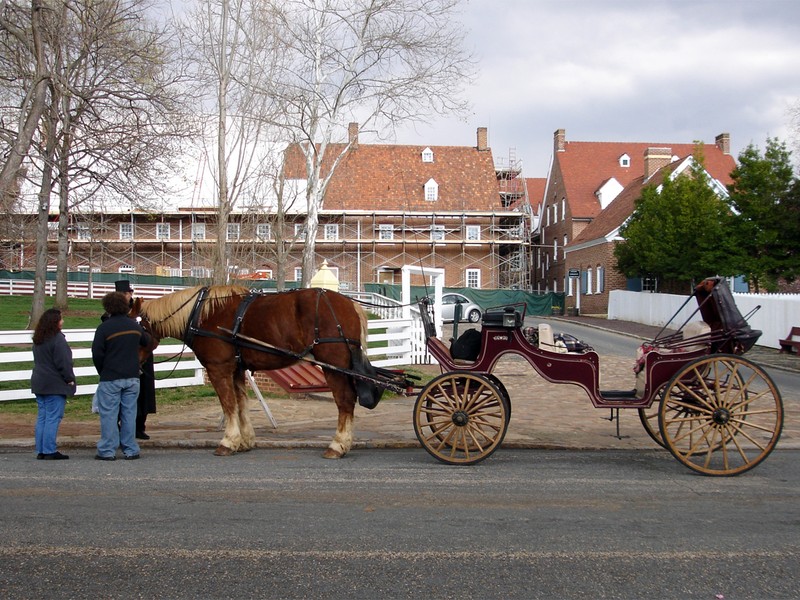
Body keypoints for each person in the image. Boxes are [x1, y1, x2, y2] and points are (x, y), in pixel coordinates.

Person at [92, 291, 151, 461]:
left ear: (108, 307)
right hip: (132, 377)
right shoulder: (134, 326)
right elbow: (147, 341)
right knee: (129, 414)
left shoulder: (104, 328)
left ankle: (107, 450)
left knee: (109, 414)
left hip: (111, 376)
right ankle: (131, 448)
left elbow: (97, 354)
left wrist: (102, 371)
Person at [105, 280, 157, 440]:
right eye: (127, 293)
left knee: (144, 394)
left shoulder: (140, 311)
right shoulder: (110, 314)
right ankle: (121, 427)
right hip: (125, 358)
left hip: (143, 356)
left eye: (130, 293)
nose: (130, 296)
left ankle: (140, 426)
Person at [31, 308, 76, 460]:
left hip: (39, 381)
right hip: (54, 383)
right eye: (60, 319)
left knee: (42, 417)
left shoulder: (39, 339)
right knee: (53, 417)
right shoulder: (58, 339)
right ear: (54, 322)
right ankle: (49, 449)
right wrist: (69, 379)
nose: (62, 322)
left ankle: (41, 449)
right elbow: (64, 363)